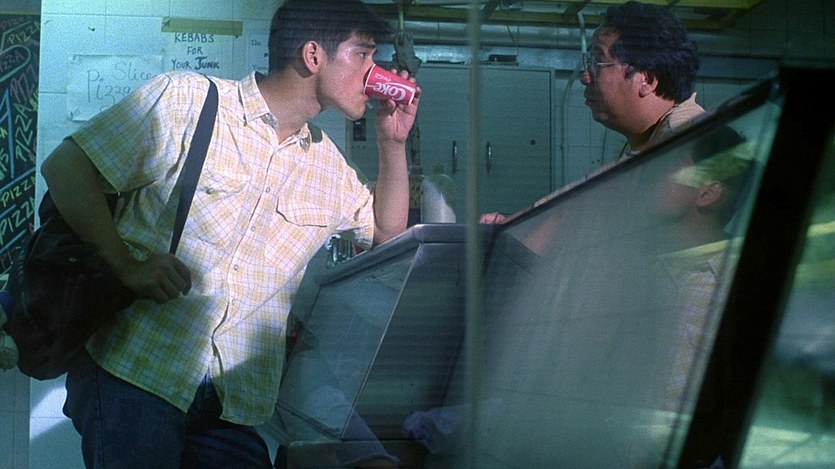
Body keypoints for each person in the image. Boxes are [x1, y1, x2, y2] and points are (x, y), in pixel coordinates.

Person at [40, 0, 420, 467]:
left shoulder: (327, 165)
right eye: (362, 54)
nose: (375, 72)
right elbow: (66, 167)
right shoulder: (187, 101)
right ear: (313, 55)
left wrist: (392, 142)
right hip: (137, 374)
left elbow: (386, 231)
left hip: (234, 400)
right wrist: (124, 264)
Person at [582, 0, 704, 158]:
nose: (585, 78)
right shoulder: (654, 139)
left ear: (647, 80)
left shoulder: (683, 146)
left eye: (598, 62)